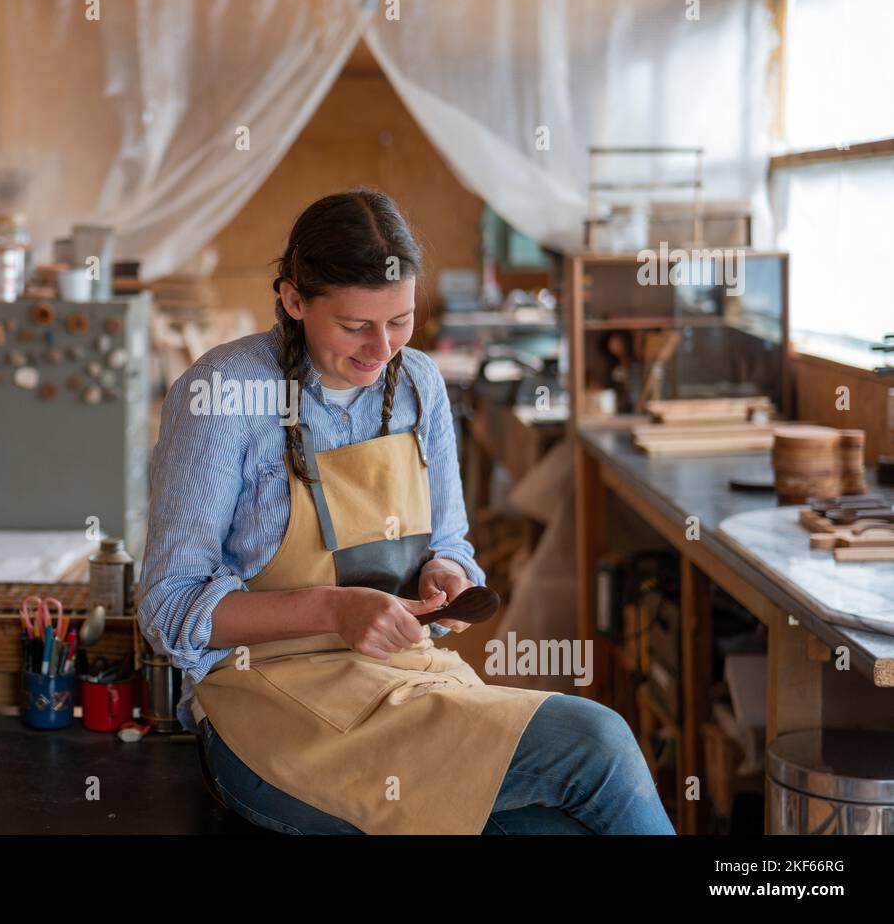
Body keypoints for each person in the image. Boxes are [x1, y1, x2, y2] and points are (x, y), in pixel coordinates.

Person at [138, 188, 674, 835]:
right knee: (598, 739)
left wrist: (445, 572)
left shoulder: (420, 384)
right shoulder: (224, 394)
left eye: (400, 321)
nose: (380, 349)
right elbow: (168, 608)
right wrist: (335, 610)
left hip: (405, 682)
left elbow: (448, 540)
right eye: (355, 326)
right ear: (293, 299)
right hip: (269, 709)